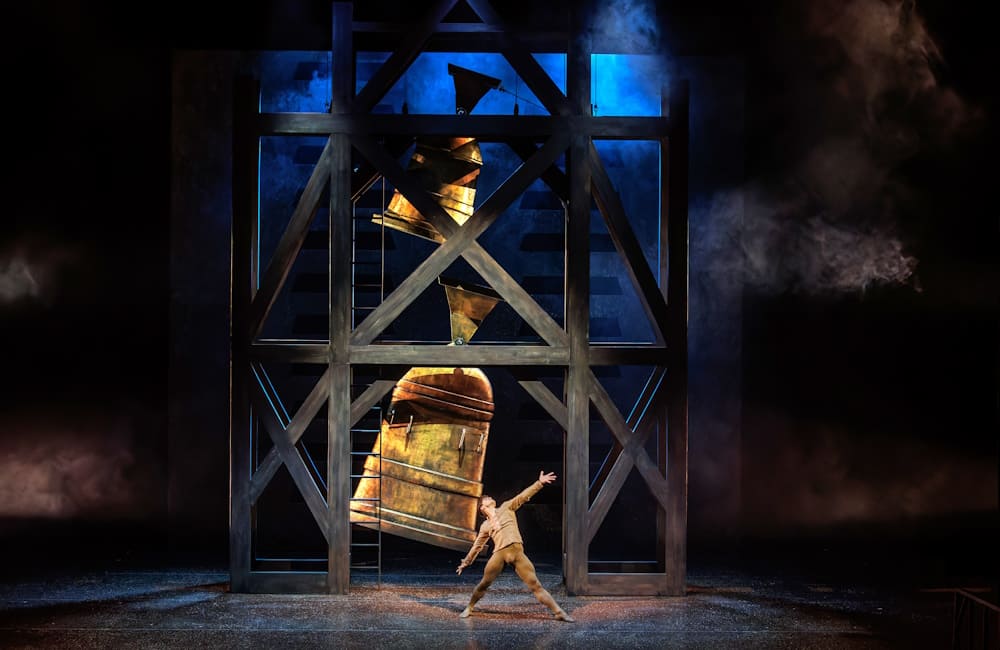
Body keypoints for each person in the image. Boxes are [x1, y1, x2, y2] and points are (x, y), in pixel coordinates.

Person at [456, 470, 574, 622]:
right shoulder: (485, 526)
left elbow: (522, 497)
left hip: (517, 552)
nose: (490, 497)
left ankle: (559, 612)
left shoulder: (506, 507)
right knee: (484, 583)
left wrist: (539, 483)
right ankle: (469, 607)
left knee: (535, 585)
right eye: (487, 498)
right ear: (482, 508)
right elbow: (477, 546)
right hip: (500, 554)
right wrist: (466, 562)